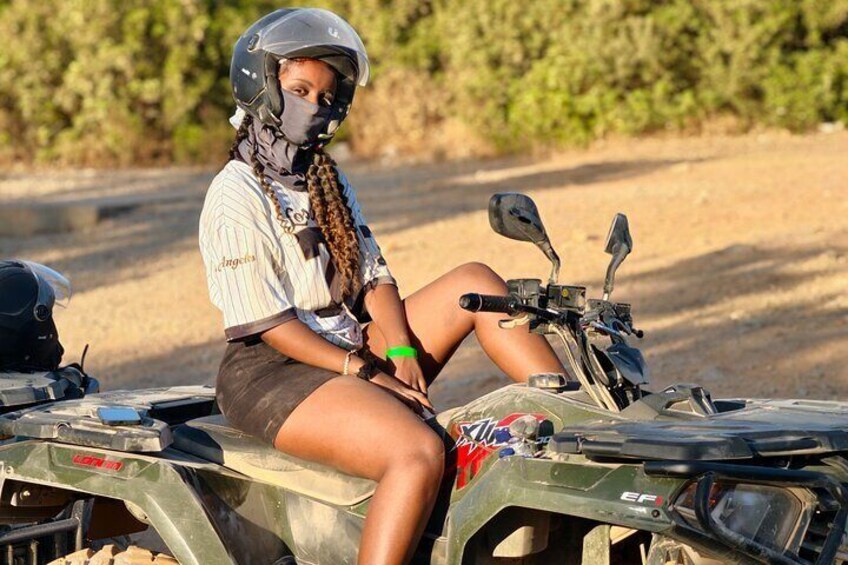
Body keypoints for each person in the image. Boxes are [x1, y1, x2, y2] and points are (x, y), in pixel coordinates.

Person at [198, 8, 566, 564]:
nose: (314, 107)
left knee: (474, 280)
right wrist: (366, 372)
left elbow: (374, 276)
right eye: (299, 91)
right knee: (417, 451)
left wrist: (400, 349)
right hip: (272, 373)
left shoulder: (325, 175)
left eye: (325, 97)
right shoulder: (234, 196)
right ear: (262, 89)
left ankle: (569, 420)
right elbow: (270, 326)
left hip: (350, 344)